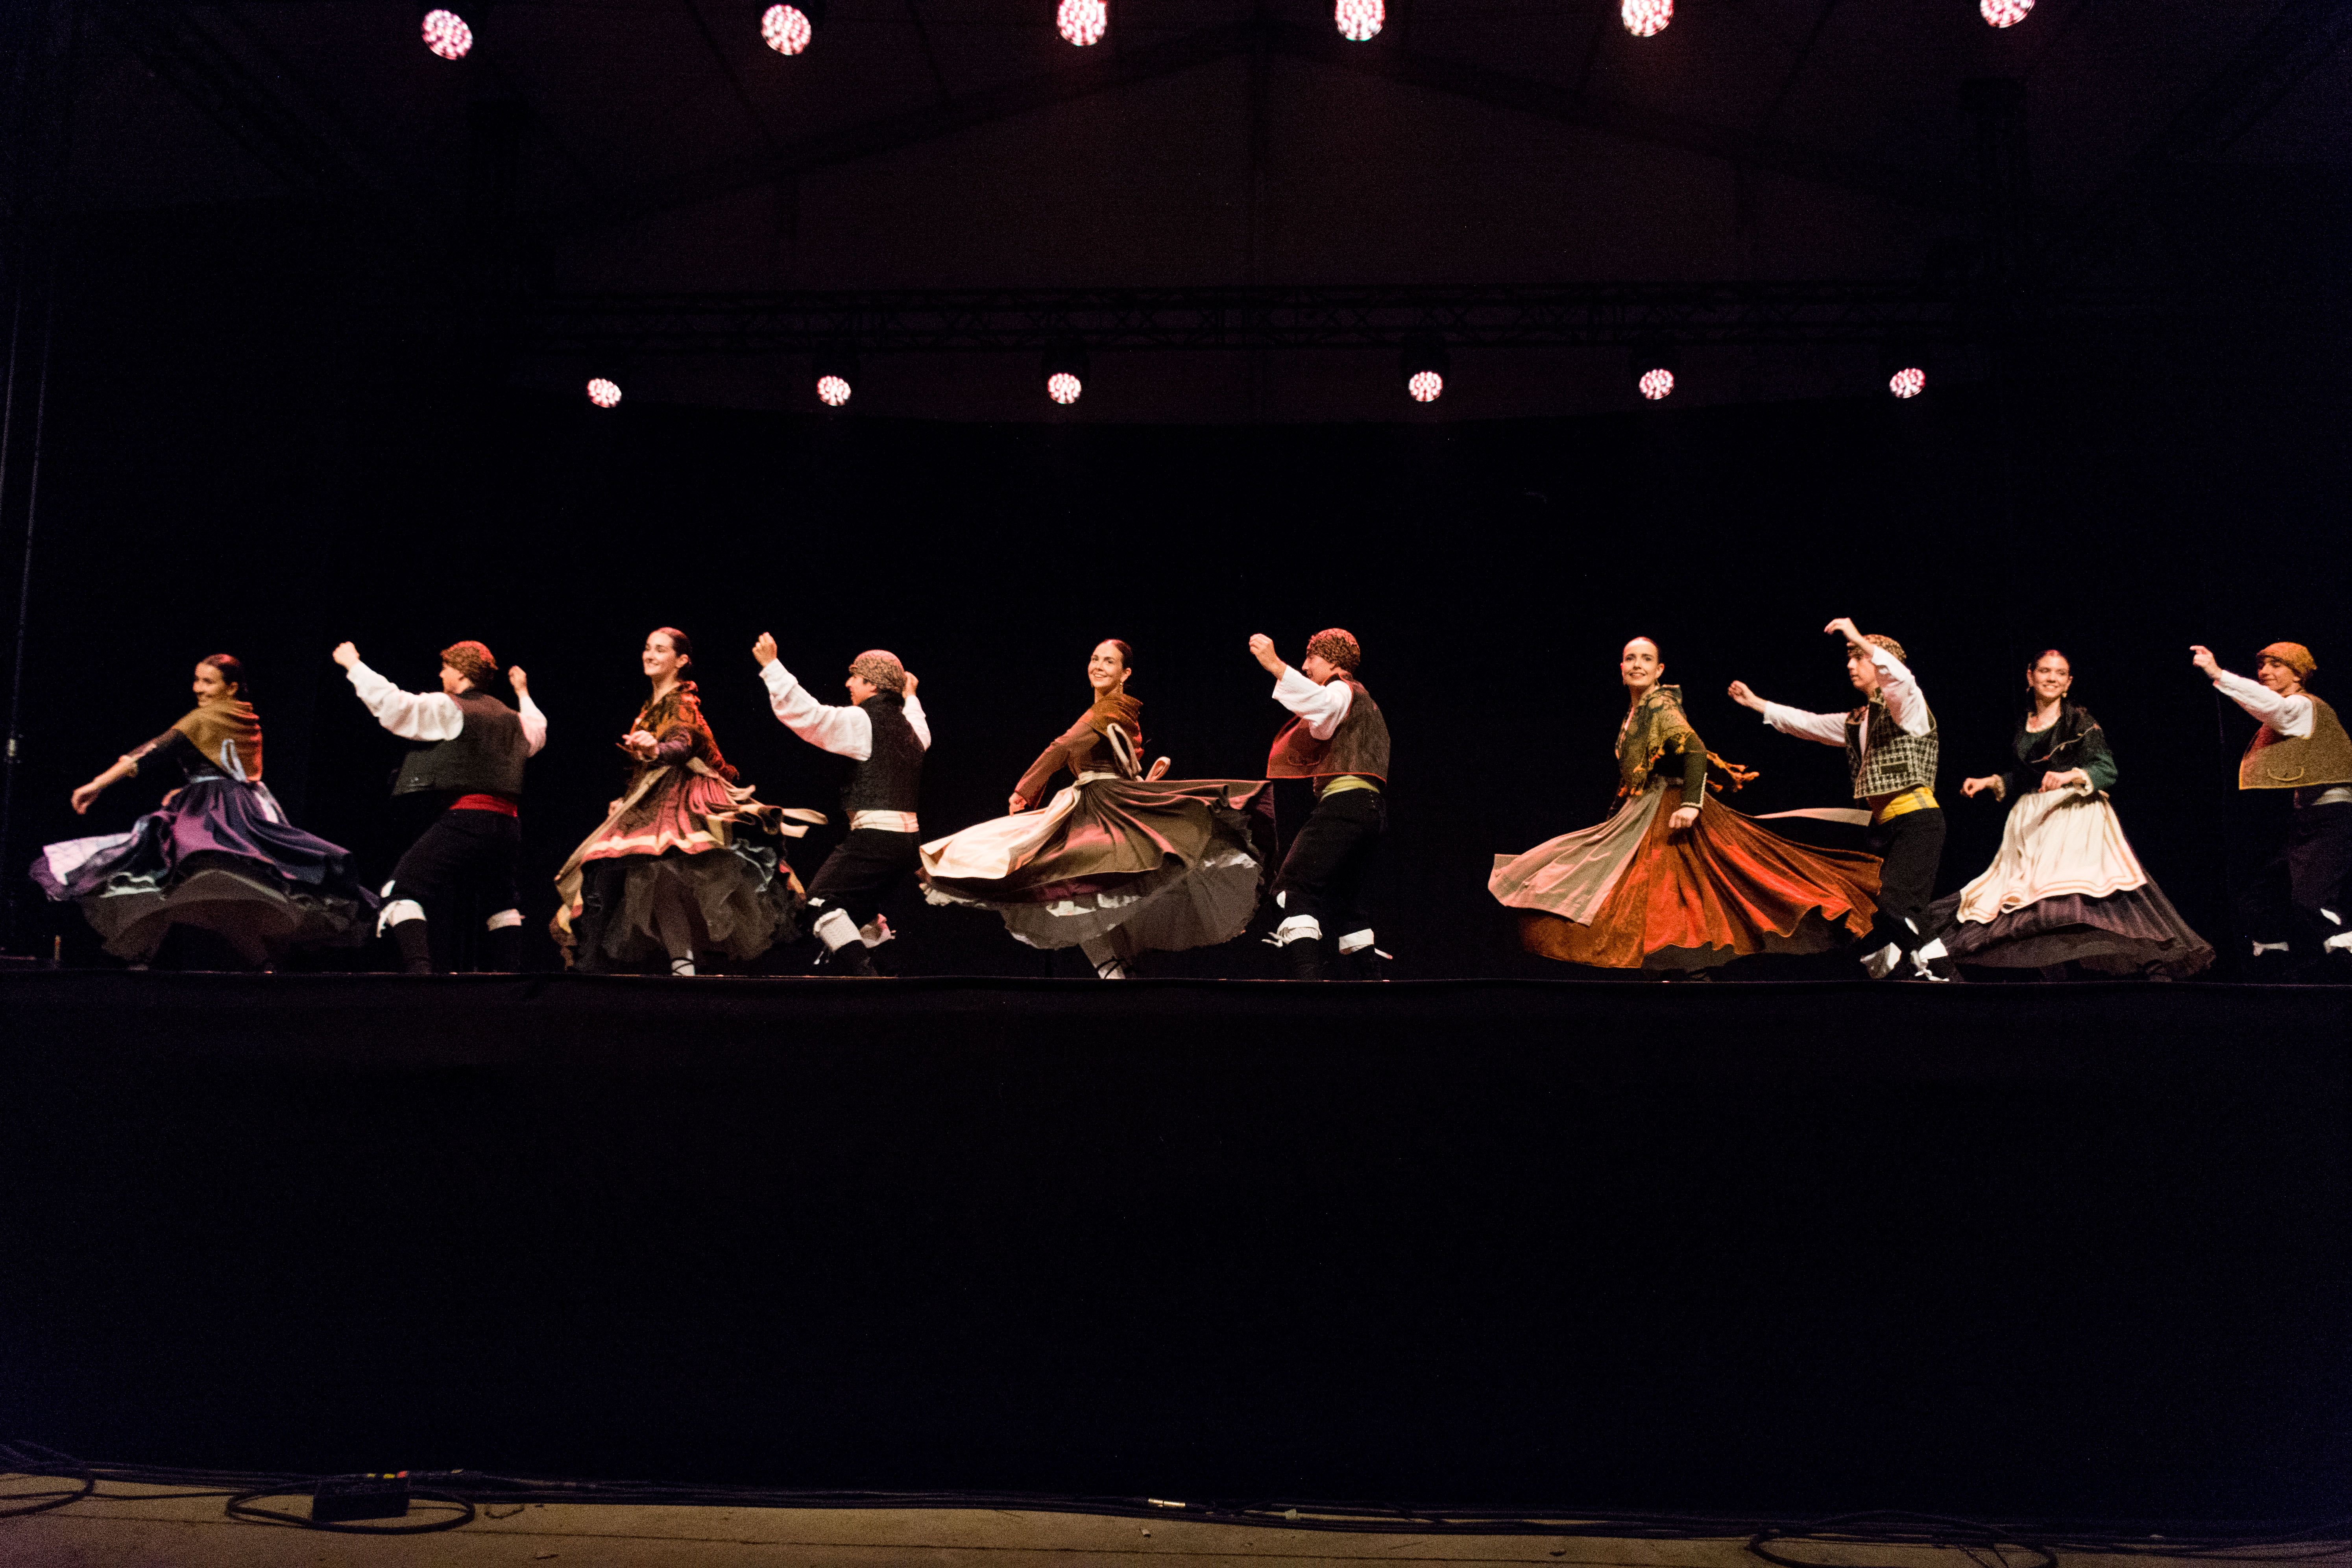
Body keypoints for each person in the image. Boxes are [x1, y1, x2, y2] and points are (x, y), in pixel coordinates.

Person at [1491, 637, 1880, 974]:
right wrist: (1610, 822)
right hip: (1641, 812)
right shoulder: (1634, 715)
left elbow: (1694, 750)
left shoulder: (1660, 706)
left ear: (1659, 670)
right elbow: (1631, 779)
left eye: (1646, 659)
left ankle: (1686, 977)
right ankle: (1676, 977)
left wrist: (1692, 805)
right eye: (1630, 658)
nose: (1637, 665)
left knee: (1678, 894)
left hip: (1670, 808)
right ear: (1621, 668)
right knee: (1653, 896)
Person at [920, 639, 1270, 978]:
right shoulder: (1106, 710)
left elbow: (1065, 745)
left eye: (1108, 661)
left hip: (1104, 806)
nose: (1098, 666)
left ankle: (1115, 971)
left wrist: (1025, 789)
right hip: (1093, 802)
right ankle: (1116, 971)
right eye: (1094, 658)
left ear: (1125, 673)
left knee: (1073, 879)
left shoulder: (1111, 708)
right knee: (1079, 884)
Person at [33, 654, 374, 966]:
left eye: (208, 682)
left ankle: (146, 960)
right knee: (211, 893)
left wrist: (97, 784)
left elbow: (150, 752)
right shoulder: (246, 717)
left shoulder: (206, 717)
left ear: (232, 687)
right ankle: (257, 966)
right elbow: (235, 771)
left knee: (173, 875)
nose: (199, 689)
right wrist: (188, 787)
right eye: (197, 680)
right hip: (242, 805)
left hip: (215, 812)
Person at [1925, 649, 2210, 978]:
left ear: (2068, 682)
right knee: (2026, 904)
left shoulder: (2078, 720)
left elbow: (2106, 769)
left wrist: (2069, 775)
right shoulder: (2025, 722)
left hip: (2075, 816)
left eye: (2060, 674)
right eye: (2045, 671)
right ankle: (2057, 982)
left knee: (2076, 899)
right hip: (2033, 822)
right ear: (2030, 677)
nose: (2051, 678)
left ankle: (2151, 966)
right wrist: (1992, 781)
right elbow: (2025, 776)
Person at [553, 628, 820, 975]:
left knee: (670, 877)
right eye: (647, 648)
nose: (649, 655)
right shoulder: (652, 705)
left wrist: (655, 749)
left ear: (681, 661)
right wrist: (627, 797)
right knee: (653, 881)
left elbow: (681, 745)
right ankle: (684, 966)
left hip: (685, 801)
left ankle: (689, 965)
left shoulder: (683, 701)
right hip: (656, 802)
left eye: (660, 650)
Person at [1729, 617, 1955, 980]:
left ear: (1880, 662)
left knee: (1897, 906)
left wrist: (1856, 637)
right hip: (1883, 828)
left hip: (1918, 822)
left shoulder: (1909, 709)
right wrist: (1757, 704)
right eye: (1849, 658)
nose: (1850, 665)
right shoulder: (1858, 720)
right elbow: (1810, 725)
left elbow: (1902, 680)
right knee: (1872, 916)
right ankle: (1901, 978)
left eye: (1858, 658)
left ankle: (1945, 977)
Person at [336, 638, 546, 973]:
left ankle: (421, 975)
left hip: (469, 819)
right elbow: (538, 731)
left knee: (400, 890)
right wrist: (521, 693)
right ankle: (510, 981)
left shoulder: (451, 707)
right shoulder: (515, 720)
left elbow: (397, 707)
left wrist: (354, 665)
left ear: (461, 674)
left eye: (446, 667)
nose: (440, 673)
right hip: (508, 825)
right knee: (500, 901)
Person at [754, 635, 930, 976]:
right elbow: (919, 720)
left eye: (856, 677)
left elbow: (811, 717)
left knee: (821, 904)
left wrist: (772, 667)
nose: (848, 683)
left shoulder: (863, 721)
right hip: (908, 843)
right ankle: (888, 981)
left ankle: (869, 982)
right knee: (859, 912)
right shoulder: (913, 730)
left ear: (873, 684)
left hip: (876, 838)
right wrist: (911, 695)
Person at [2193, 639, 2352, 979]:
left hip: (2330, 818)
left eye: (2275, 665)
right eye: (2262, 666)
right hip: (2306, 819)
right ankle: (2274, 965)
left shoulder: (2303, 705)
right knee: (2261, 895)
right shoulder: (2293, 708)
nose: (2265, 672)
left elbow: (2270, 708)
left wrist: (2218, 674)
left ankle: (2345, 960)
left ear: (2298, 673)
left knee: (2313, 902)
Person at [1250, 629, 1389, 980]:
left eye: (1311, 658)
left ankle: (1308, 982)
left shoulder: (1341, 688)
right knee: (1347, 906)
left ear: (1331, 660)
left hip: (1345, 805)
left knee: (1290, 890)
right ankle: (1374, 986)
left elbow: (1324, 706)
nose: (1305, 665)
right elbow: (1322, 726)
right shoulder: (1360, 699)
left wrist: (1276, 666)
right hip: (1369, 810)